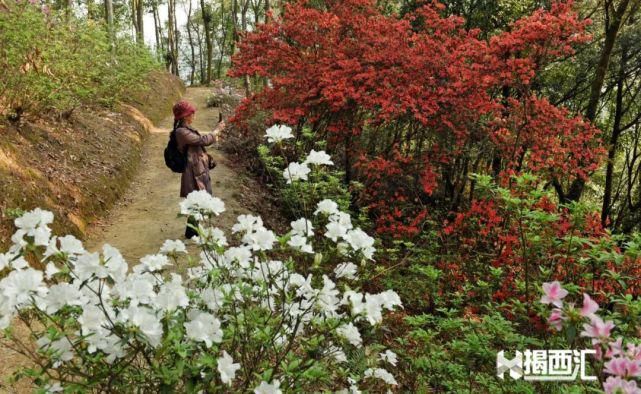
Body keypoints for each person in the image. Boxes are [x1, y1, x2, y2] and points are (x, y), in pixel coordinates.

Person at [172, 100, 226, 239]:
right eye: (191, 113)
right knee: (195, 201)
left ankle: (193, 232)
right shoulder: (181, 132)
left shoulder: (185, 130)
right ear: (185, 116)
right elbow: (202, 140)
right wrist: (216, 131)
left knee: (198, 200)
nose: (194, 114)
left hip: (197, 169)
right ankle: (192, 233)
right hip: (192, 171)